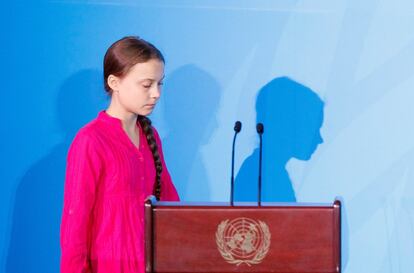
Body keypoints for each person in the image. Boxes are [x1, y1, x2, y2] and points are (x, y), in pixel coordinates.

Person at [60, 36, 180, 273]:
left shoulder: (150, 136)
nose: (156, 94)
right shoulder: (90, 140)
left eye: (160, 84)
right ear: (114, 82)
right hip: (109, 265)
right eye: (146, 85)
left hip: (151, 263)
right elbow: (75, 223)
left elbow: (170, 206)